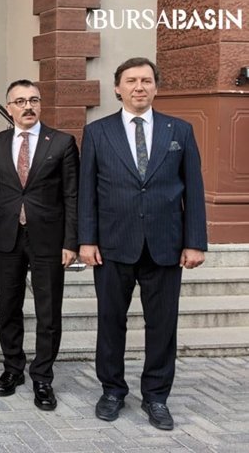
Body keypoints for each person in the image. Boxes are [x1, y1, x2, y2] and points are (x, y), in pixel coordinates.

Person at [79, 57, 207, 430]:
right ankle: (112, 391)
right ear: (117, 88)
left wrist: (195, 242)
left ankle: (156, 396)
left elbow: (194, 189)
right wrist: (86, 240)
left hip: (165, 245)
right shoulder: (97, 132)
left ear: (156, 87)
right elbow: (87, 191)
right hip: (112, 245)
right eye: (132, 80)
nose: (139, 87)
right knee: (110, 322)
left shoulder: (179, 131)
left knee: (162, 326)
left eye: (147, 80)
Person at [0, 79, 79, 411]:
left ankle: (42, 376)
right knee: (9, 307)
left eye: (34, 100)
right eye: (21, 101)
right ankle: (13, 368)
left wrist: (71, 241)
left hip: (49, 239)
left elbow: (72, 195)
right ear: (9, 108)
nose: (28, 106)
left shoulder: (62, 142)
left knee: (48, 311)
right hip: (7, 237)